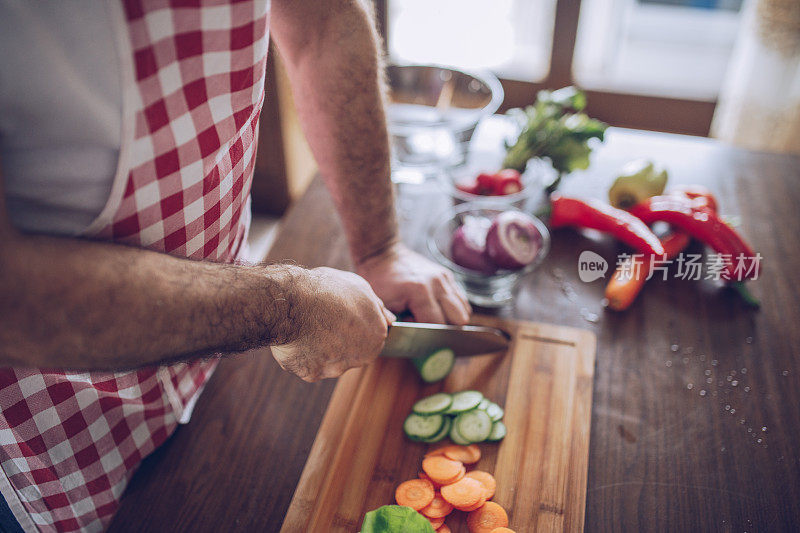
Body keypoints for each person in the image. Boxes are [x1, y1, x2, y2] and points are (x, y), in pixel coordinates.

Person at [0, 1, 471, 530]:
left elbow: (324, 22)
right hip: (48, 426)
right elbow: (11, 296)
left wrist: (380, 246)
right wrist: (290, 309)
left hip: (219, 340)